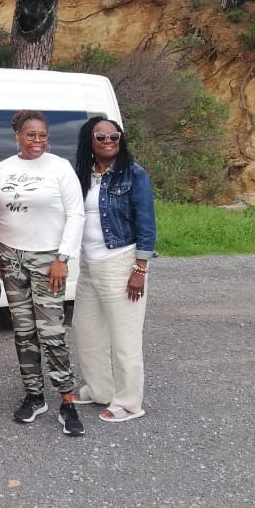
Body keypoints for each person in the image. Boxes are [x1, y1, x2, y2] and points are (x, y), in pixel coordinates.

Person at [0, 110, 87, 437]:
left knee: (52, 332)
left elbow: (76, 214)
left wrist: (62, 257)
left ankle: (67, 400)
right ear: (17, 136)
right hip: (10, 257)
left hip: (48, 259)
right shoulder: (4, 167)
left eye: (43, 135)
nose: (38, 140)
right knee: (23, 331)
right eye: (31, 135)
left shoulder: (59, 167)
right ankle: (34, 396)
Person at [71, 116, 157, 423]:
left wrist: (140, 269)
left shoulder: (134, 174)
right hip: (88, 264)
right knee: (86, 331)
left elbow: (146, 223)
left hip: (121, 262)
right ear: (89, 141)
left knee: (124, 339)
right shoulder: (82, 174)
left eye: (114, 136)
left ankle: (130, 402)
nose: (109, 141)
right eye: (101, 137)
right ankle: (100, 390)